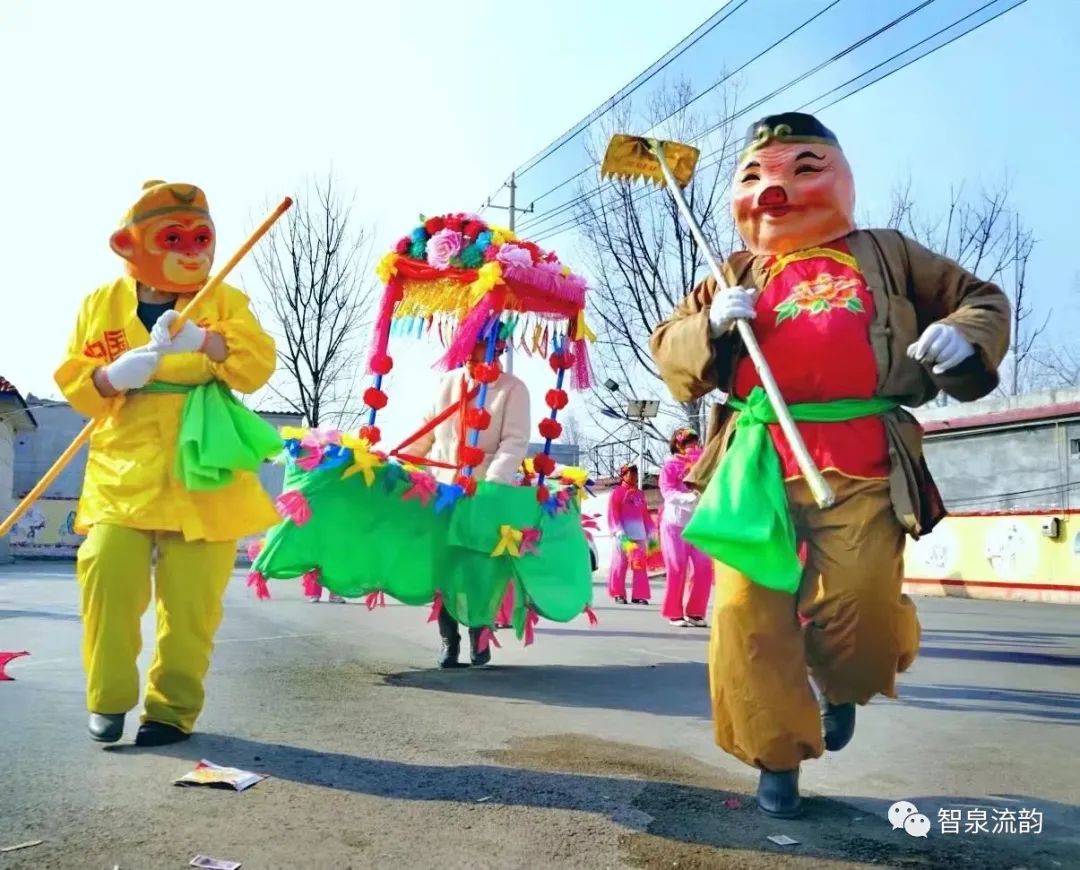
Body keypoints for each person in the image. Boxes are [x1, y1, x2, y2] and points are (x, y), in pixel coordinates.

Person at [650, 112, 1009, 817]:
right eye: (754, 175)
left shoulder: (889, 253)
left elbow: (981, 300)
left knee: (863, 612)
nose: (774, 188)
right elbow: (672, 353)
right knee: (746, 615)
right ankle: (775, 756)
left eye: (802, 168)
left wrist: (965, 337)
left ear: (840, 176)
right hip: (755, 464)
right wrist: (709, 325)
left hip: (865, 463)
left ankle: (842, 686)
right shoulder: (731, 271)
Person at [55, 180, 280, 746]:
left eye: (201, 237)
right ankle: (107, 699)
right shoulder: (98, 305)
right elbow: (78, 384)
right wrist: (110, 377)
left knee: (192, 602)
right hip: (122, 465)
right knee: (106, 570)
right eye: (174, 237)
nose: (192, 250)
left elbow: (255, 367)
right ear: (129, 244)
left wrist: (208, 342)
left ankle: (171, 711)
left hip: (204, 463)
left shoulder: (224, 299)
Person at [412, 335, 530, 667]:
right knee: (442, 569)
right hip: (443, 494)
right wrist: (402, 464)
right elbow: (427, 432)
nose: (466, 354)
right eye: (462, 347)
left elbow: (514, 442)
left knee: (480, 571)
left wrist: (492, 484)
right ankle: (449, 640)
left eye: (474, 346)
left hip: (484, 495)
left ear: (497, 347)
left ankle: (480, 634)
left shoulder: (513, 389)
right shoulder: (448, 382)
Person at [658, 428, 713, 627]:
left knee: (704, 568)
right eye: (687, 442)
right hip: (674, 524)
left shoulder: (704, 463)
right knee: (677, 567)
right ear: (677, 445)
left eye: (694, 442)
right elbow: (667, 491)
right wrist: (689, 498)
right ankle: (674, 612)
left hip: (698, 524)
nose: (692, 446)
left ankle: (696, 612)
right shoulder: (670, 466)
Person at [606, 463, 657, 605]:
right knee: (620, 564)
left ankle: (639, 595)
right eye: (630, 473)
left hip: (639, 535)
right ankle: (618, 593)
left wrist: (651, 531)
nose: (634, 476)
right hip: (622, 535)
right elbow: (613, 513)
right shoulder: (617, 493)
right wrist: (618, 531)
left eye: (636, 473)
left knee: (639, 565)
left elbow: (645, 514)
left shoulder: (640, 494)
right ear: (623, 475)